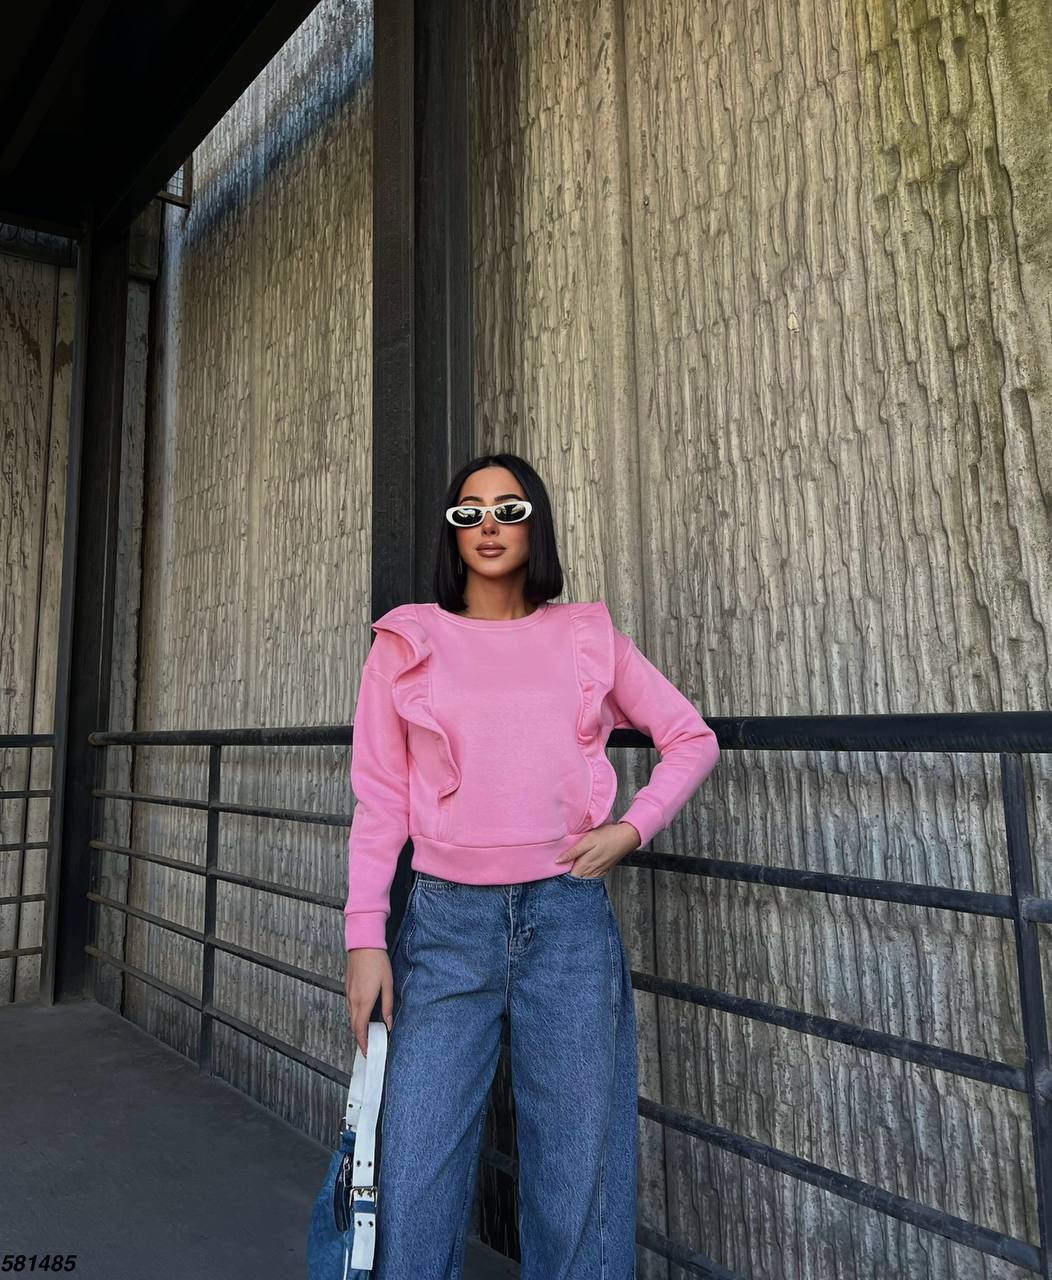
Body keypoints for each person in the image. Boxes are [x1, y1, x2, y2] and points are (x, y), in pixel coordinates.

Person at [343, 453, 720, 1280]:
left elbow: (691, 738)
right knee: (414, 1167)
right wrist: (365, 935)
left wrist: (631, 828)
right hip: (444, 927)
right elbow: (379, 797)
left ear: (535, 524)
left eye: (509, 510)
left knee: (577, 1176)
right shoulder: (408, 639)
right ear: (452, 532)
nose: (488, 525)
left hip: (569, 920)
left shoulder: (586, 635)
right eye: (468, 512)